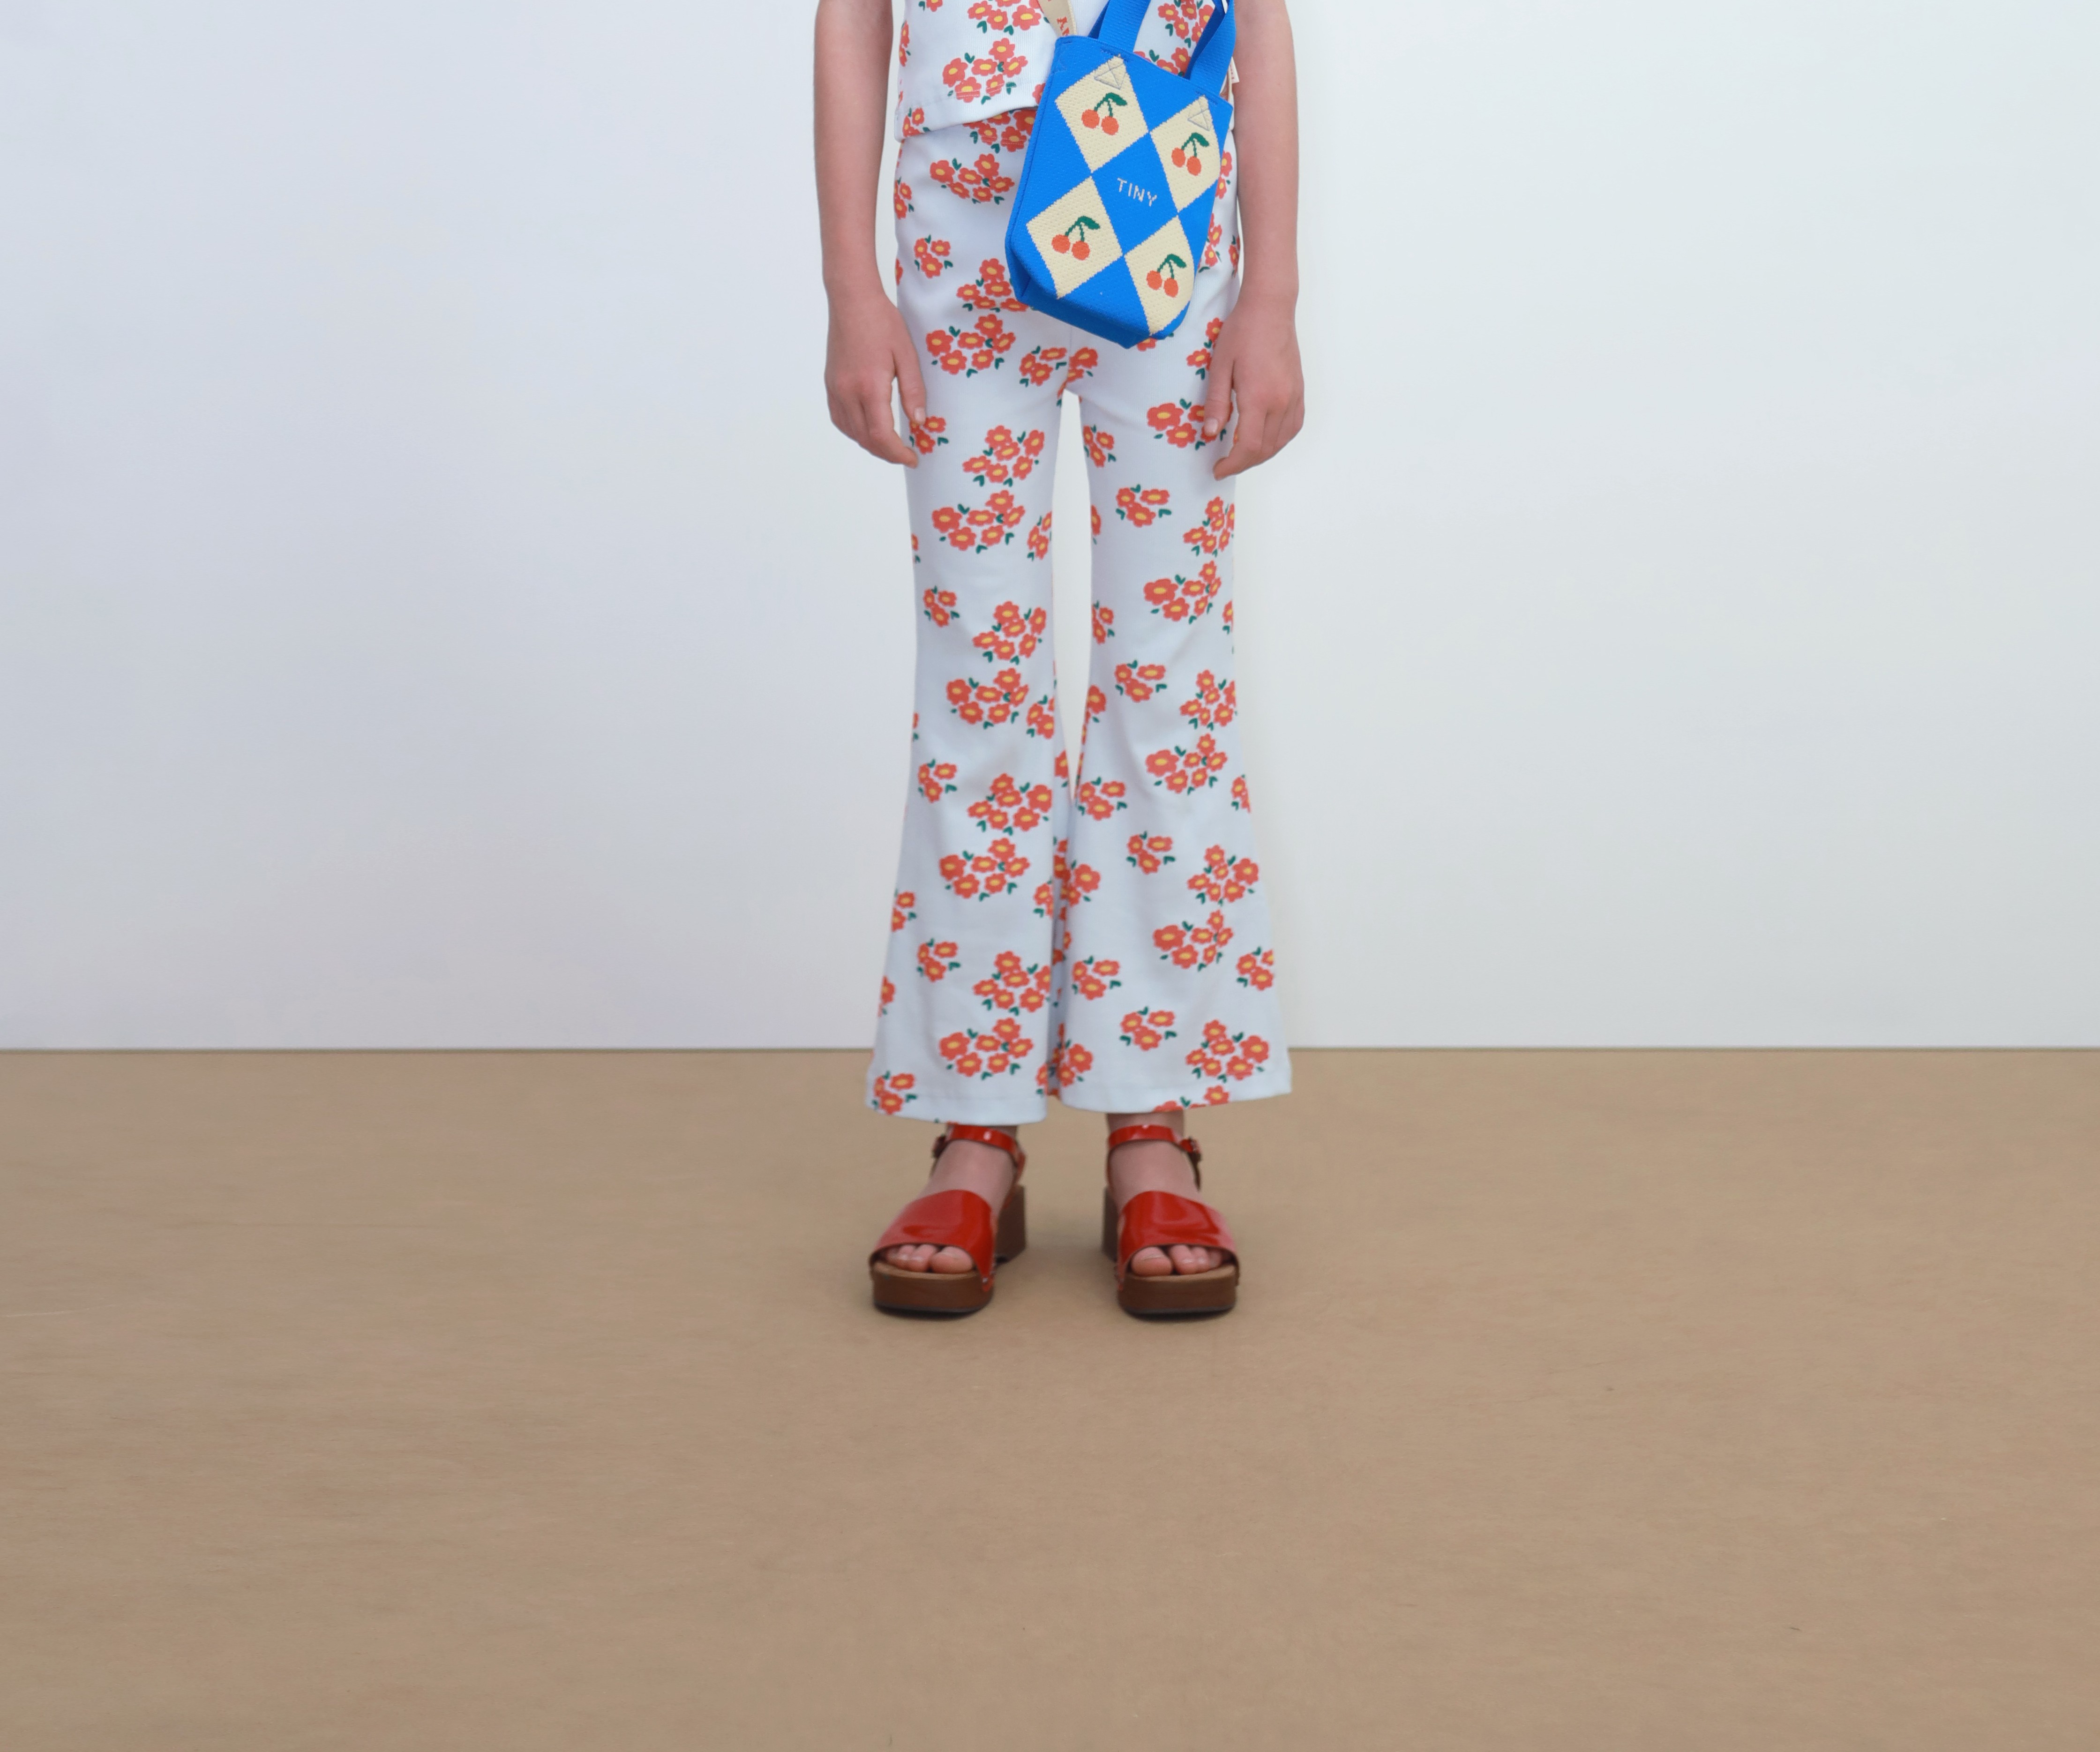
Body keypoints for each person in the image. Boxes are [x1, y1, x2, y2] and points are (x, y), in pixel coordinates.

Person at [814, 0, 1303, 1315]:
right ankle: (974, 1122)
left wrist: (1272, 295)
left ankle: (1152, 1117)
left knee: (1167, 689)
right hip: (959, 229)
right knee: (978, 684)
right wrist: (853, 289)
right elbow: (852, 15)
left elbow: (1261, 19)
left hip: (1165, 203)